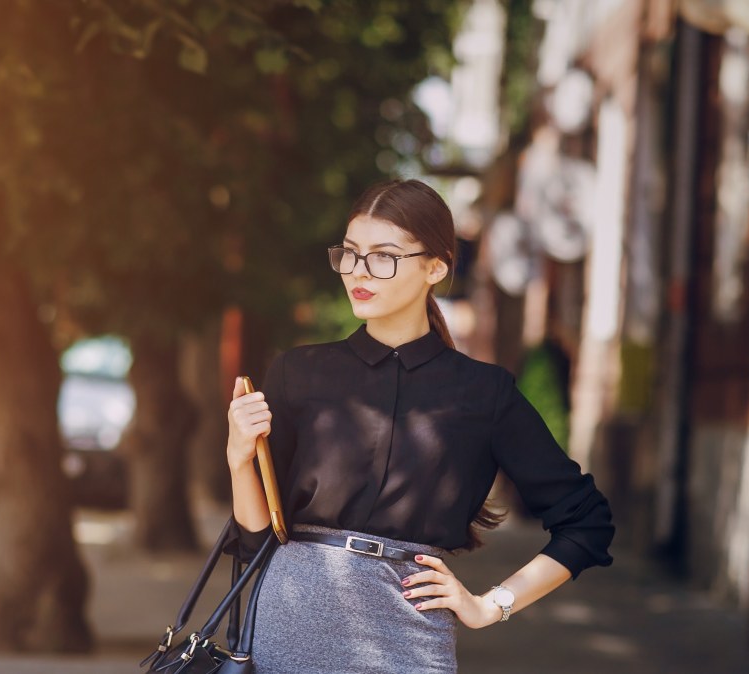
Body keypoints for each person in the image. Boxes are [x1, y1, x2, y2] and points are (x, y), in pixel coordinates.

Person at [224, 179, 614, 673]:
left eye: (383, 256)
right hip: (289, 626)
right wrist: (239, 459)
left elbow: (587, 522)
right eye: (349, 253)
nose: (358, 272)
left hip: (409, 638)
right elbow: (254, 541)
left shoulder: (483, 393)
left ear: (436, 267)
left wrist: (490, 605)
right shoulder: (297, 373)